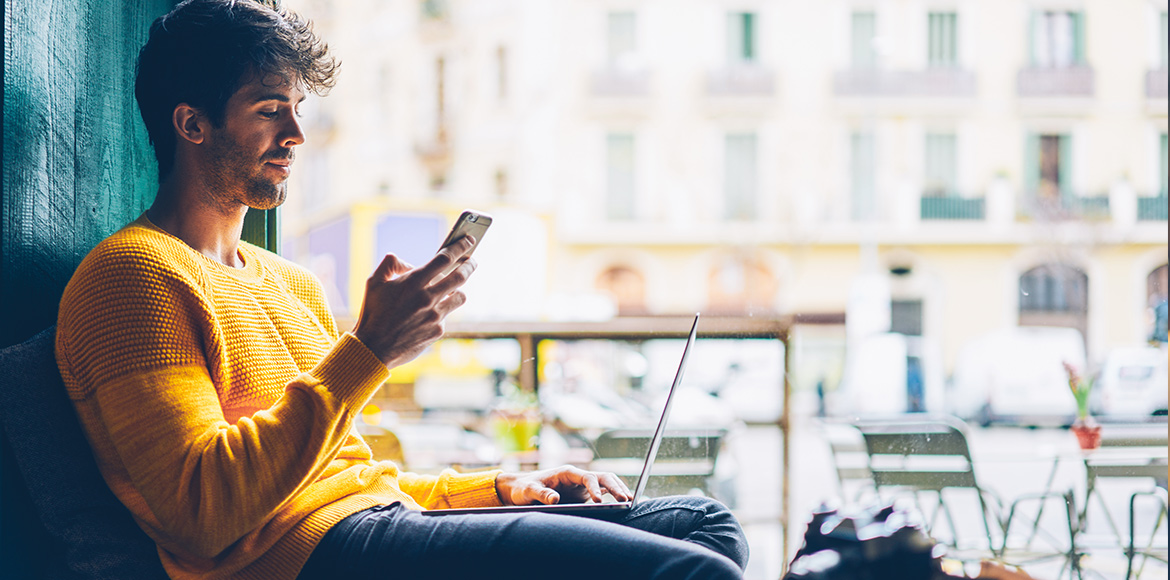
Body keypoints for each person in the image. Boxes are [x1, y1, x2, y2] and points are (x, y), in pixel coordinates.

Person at [54, 1, 749, 579]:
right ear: (192, 124)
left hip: (371, 525)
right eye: (270, 110)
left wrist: (500, 488)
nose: (296, 134)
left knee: (705, 526)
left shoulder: (287, 282)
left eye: (298, 109)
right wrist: (369, 349)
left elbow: (360, 478)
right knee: (691, 571)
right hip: (307, 559)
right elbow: (203, 514)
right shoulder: (133, 276)